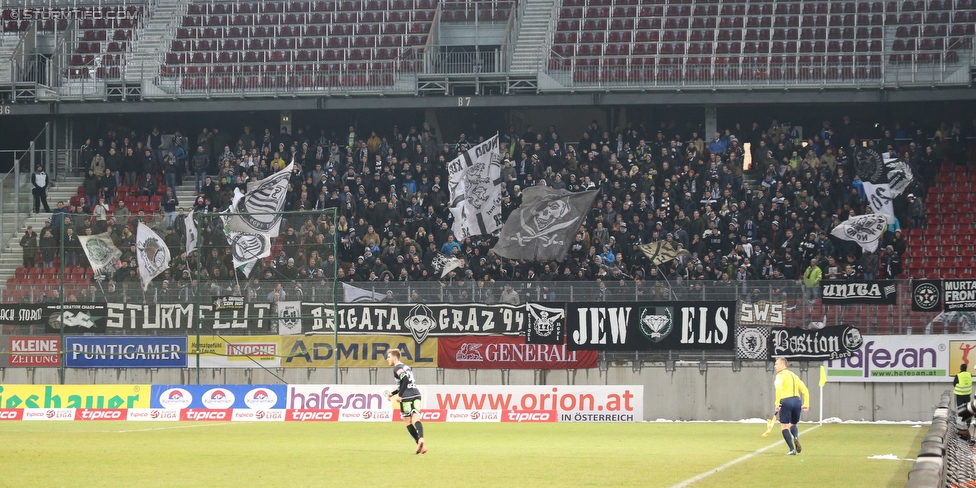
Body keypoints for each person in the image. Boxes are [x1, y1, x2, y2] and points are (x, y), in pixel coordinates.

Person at [385, 348, 427, 455]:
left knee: (407, 422)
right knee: (416, 418)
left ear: (395, 357)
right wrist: (393, 393)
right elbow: (406, 382)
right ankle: (421, 439)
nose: (387, 359)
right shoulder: (406, 366)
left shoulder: (397, 368)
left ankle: (419, 443)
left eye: (389, 357)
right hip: (416, 394)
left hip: (407, 397)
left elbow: (405, 380)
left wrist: (400, 395)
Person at [774, 357, 810, 455]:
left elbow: (778, 388)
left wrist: (777, 403)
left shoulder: (780, 375)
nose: (775, 366)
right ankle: (796, 437)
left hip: (786, 401)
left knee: (784, 426)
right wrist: (806, 403)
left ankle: (792, 449)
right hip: (797, 401)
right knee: (793, 424)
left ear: (783, 365)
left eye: (777, 364)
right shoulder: (795, 376)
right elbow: (805, 390)